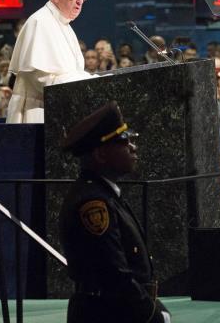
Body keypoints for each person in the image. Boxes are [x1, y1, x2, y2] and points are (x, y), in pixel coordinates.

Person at [59, 101, 170, 323]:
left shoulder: (105, 193)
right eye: (123, 142)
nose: (133, 147)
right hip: (105, 313)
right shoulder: (92, 202)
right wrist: (150, 312)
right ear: (101, 154)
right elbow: (113, 272)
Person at [7, 0, 93, 123]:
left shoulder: (65, 26)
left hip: (58, 112)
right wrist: (90, 82)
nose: (80, 1)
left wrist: (90, 81)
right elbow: (42, 79)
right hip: (37, 114)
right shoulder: (40, 22)